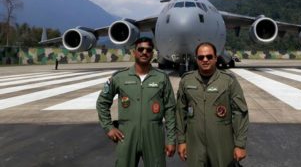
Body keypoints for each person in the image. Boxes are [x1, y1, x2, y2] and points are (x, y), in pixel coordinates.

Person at [96, 37, 176, 167]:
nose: (144, 52)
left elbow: (170, 109)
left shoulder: (162, 78)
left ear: (152, 53)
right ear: (134, 52)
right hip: (126, 136)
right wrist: (109, 128)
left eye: (148, 50)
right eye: (141, 49)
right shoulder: (120, 77)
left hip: (154, 136)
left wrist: (172, 139)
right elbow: (102, 103)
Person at [176, 42, 249, 166]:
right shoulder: (186, 81)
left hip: (221, 143)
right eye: (201, 57)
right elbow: (180, 112)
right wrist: (181, 141)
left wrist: (240, 144)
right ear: (196, 59)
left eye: (209, 57)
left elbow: (240, 113)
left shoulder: (228, 81)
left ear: (215, 58)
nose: (205, 60)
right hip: (195, 144)